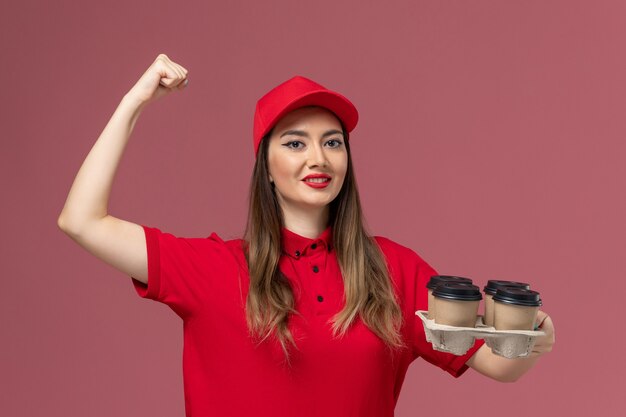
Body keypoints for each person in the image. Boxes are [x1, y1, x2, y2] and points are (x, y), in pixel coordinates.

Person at [57, 54, 555, 417]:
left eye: (332, 143)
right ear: (266, 168)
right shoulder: (214, 269)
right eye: (296, 142)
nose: (318, 157)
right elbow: (80, 220)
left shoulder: (392, 270)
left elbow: (496, 362)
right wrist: (134, 101)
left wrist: (536, 337)